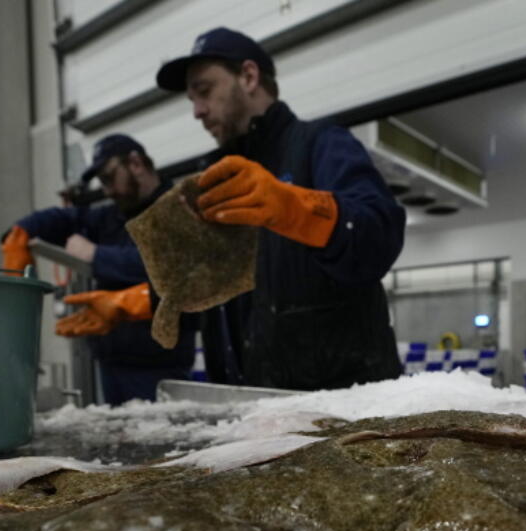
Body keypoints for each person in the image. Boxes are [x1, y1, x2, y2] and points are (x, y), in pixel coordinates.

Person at [155, 27, 405, 391]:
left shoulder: (320, 143)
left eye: (204, 91)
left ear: (249, 76)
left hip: (341, 414)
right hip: (250, 410)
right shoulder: (214, 180)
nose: (196, 111)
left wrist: (293, 207)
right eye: (191, 99)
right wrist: (134, 301)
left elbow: (378, 235)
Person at [0, 134, 194, 403]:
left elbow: (170, 268)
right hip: (111, 364)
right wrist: (22, 230)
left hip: (158, 368)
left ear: (136, 163)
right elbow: (62, 218)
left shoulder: (178, 210)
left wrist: (96, 254)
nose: (107, 190)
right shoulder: (112, 215)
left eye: (109, 177)